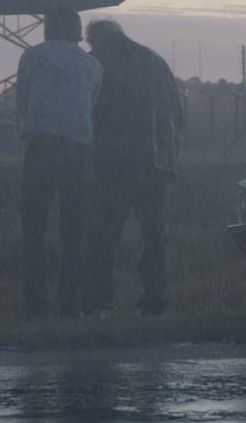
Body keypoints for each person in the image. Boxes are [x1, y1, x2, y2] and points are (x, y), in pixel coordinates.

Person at [83, 19, 184, 316]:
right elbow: (177, 113)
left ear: (94, 39)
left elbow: (87, 112)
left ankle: (99, 302)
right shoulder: (156, 61)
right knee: (154, 235)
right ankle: (154, 301)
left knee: (104, 234)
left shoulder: (94, 62)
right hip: (158, 162)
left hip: (113, 164)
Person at [15, 9, 102, 318]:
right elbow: (90, 107)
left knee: (33, 229)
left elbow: (21, 103)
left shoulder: (32, 57)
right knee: (74, 230)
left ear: (47, 27)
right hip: (77, 151)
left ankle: (36, 302)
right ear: (78, 29)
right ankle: (71, 304)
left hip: (40, 148)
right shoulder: (93, 66)